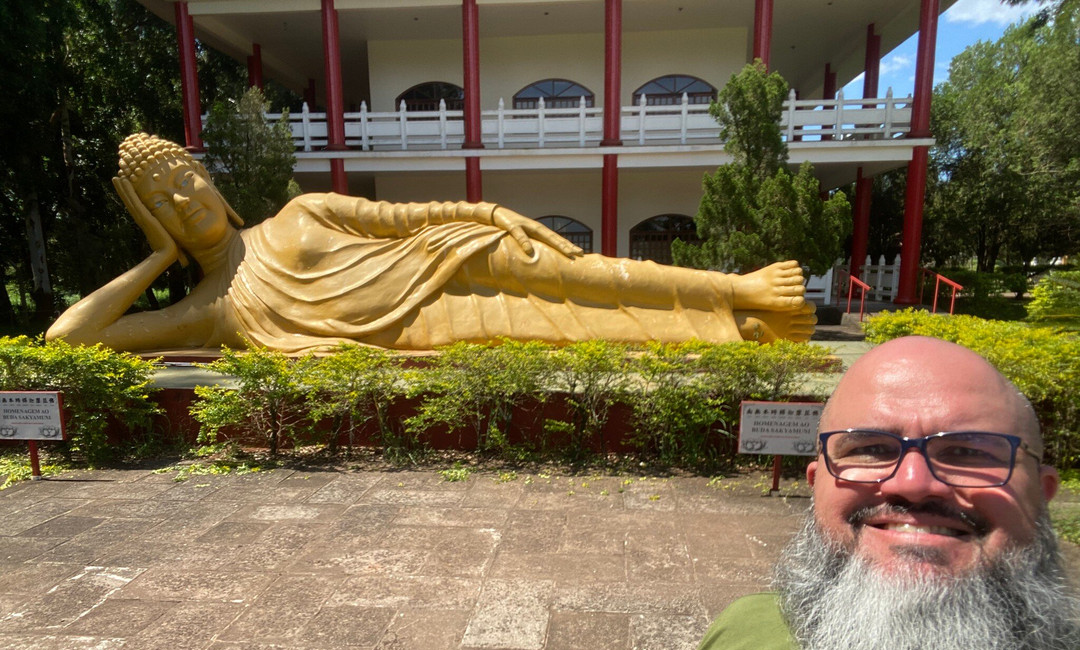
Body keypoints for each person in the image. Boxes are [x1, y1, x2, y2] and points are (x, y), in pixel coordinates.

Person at [637, 335, 1080, 650]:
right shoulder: (742, 633)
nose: (912, 483)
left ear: (1043, 492)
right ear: (816, 485)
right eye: (870, 449)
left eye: (970, 452)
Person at [45, 133, 816, 355]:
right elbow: (70, 339)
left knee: (572, 271)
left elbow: (408, 218)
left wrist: (490, 211)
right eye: (161, 203)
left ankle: (733, 291)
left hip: (444, 253)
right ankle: (733, 329)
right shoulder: (210, 308)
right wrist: (155, 256)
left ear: (210, 178)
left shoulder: (302, 210)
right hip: (420, 326)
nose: (185, 200)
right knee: (580, 327)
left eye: (185, 178)